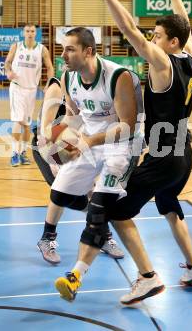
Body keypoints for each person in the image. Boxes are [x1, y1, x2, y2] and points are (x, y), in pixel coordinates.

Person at [54, 0, 192, 305]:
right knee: (169, 205)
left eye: (158, 36)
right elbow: (187, 27)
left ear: (170, 43)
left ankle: (148, 278)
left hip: (165, 155)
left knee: (117, 211)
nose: (152, 39)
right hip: (185, 154)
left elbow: (130, 30)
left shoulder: (164, 64)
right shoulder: (189, 56)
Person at [41, 27, 164, 304]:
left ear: (89, 51)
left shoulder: (118, 77)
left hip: (122, 145)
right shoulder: (68, 77)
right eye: (62, 50)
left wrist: (88, 141)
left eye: (70, 49)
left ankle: (75, 275)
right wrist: (56, 143)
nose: (64, 56)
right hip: (91, 141)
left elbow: (128, 125)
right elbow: (73, 115)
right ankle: (102, 216)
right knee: (59, 194)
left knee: (97, 209)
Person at [32, 77, 125, 261]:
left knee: (92, 192)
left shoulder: (86, 94)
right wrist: (52, 160)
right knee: (62, 193)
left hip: (72, 145)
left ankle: (103, 236)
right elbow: (44, 131)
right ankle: (47, 238)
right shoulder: (56, 88)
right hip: (46, 148)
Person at [5, 23, 54, 167]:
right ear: (23, 33)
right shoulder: (16, 46)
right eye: (27, 31)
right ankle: (14, 153)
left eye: (32, 31)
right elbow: (7, 62)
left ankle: (22, 153)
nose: (30, 33)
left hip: (31, 90)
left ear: (36, 33)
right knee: (17, 120)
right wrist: (8, 72)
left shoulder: (42, 49)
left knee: (27, 124)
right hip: (17, 88)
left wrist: (49, 83)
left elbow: (50, 67)